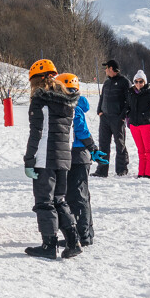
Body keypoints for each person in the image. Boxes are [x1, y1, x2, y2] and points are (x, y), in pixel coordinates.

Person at [23, 60, 82, 259]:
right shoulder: (66, 99)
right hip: (64, 157)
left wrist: (29, 159)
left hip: (44, 157)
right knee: (59, 200)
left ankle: (49, 245)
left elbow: (37, 133)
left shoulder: (40, 100)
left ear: (37, 80)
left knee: (44, 202)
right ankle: (73, 241)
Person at [66, 76, 96, 246]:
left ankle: (82, 235)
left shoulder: (73, 108)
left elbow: (81, 130)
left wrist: (92, 146)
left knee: (77, 195)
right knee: (82, 195)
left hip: (78, 155)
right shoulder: (76, 105)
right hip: (80, 155)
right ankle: (87, 232)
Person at [93, 59, 130, 177]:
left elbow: (129, 102)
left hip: (117, 118)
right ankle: (102, 170)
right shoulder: (106, 82)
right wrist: (99, 111)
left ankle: (121, 169)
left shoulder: (124, 82)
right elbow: (102, 97)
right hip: (104, 118)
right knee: (103, 144)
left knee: (120, 144)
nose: (105, 70)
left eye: (106, 68)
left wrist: (122, 116)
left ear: (112, 69)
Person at [126, 70, 150, 179]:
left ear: (144, 82)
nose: (138, 84)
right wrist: (129, 115)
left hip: (146, 125)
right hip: (134, 125)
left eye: (141, 81)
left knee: (148, 150)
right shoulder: (131, 92)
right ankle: (141, 172)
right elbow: (127, 106)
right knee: (141, 150)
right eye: (136, 81)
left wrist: (143, 115)